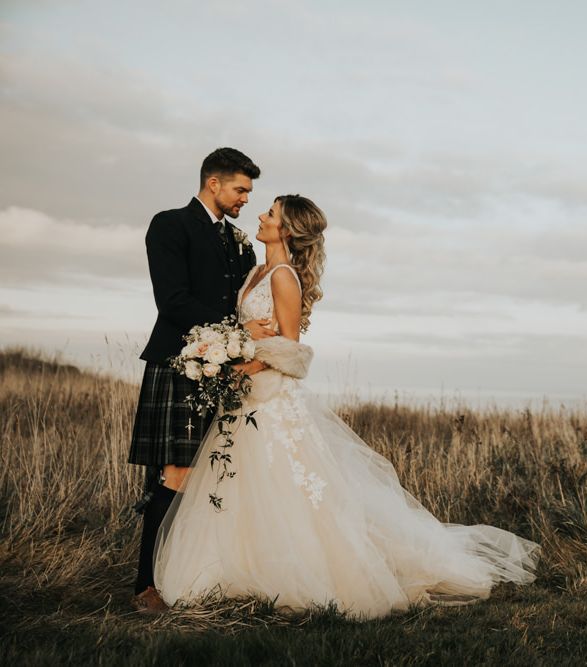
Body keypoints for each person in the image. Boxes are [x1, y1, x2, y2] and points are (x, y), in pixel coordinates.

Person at [153, 195, 540, 619]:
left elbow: (291, 349)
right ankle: (231, 569)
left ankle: (297, 574)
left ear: (285, 230)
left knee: (284, 488)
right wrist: (233, 345)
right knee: (239, 487)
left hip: (270, 401)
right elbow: (253, 330)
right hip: (244, 400)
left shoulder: (283, 276)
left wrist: (244, 364)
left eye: (271, 214)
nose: (261, 216)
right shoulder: (256, 271)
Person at [128, 148, 275, 613]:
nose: (246, 199)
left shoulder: (239, 241)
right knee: (176, 474)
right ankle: (144, 585)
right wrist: (238, 331)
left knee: (214, 476)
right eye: (241, 190)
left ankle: (192, 573)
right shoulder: (170, 225)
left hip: (223, 370)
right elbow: (172, 300)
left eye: (249, 192)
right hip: (178, 365)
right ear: (214, 182)